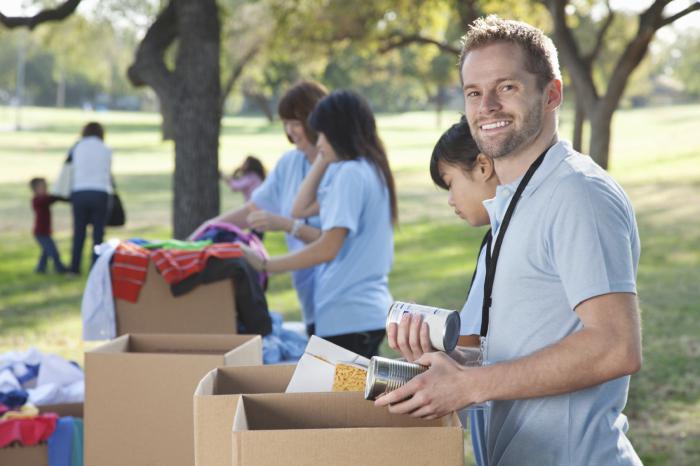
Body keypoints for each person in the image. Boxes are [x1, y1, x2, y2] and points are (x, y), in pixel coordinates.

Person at [377, 16, 642, 466]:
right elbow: (525, 342)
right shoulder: (515, 199)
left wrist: (469, 386)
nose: (487, 107)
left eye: (507, 88)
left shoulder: (576, 193)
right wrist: (450, 361)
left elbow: (615, 346)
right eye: (474, 93)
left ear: (552, 94)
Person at [240, 90, 398, 358]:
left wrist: (266, 265)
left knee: (335, 401)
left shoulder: (350, 175)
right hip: (360, 315)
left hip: (348, 316)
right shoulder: (368, 168)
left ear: (338, 132)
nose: (318, 141)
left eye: (323, 134)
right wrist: (324, 157)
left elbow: (328, 248)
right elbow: (298, 209)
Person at [189, 81, 328, 334]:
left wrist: (285, 226)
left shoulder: (342, 169)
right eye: (285, 123)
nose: (290, 130)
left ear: (315, 118)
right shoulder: (289, 164)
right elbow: (250, 210)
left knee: (343, 373)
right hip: (309, 295)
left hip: (340, 300)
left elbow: (334, 242)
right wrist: (204, 232)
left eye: (295, 122)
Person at [425, 118, 498, 466]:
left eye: (450, 184)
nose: (451, 200)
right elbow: (481, 343)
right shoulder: (492, 242)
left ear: (483, 166)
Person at [69, 122, 113, 274]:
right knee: (98, 233)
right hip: (100, 192)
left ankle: (74, 268)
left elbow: (70, 167)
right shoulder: (105, 148)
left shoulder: (77, 147)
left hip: (80, 191)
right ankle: (96, 267)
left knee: (79, 231)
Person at [29, 177, 68, 274]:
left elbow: (51, 199)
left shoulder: (44, 199)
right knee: (53, 251)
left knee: (46, 252)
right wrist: (59, 195)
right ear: (35, 189)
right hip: (41, 233)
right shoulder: (37, 200)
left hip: (45, 232)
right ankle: (60, 268)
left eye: (46, 186)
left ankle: (40, 269)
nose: (45, 188)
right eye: (42, 186)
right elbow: (50, 199)